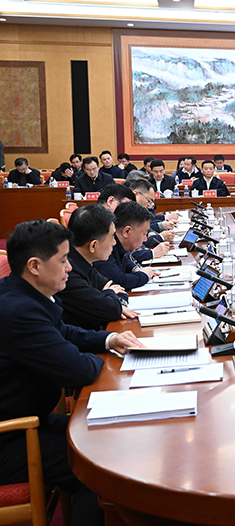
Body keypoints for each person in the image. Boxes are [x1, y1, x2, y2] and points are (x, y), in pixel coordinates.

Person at [0, 219, 142, 526]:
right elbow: (79, 370)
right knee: (99, 466)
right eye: (63, 260)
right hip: (9, 436)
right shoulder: (20, 311)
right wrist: (101, 361)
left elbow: (64, 333)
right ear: (35, 266)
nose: (69, 268)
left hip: (29, 417)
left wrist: (108, 340)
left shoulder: (21, 294)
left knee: (106, 438)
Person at [60, 204, 137, 329]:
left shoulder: (84, 261)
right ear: (93, 246)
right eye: (111, 237)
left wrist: (108, 296)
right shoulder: (67, 272)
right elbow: (110, 310)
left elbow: (117, 288)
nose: (114, 243)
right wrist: (109, 294)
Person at [93, 201, 155, 291]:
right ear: (127, 231)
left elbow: (125, 259)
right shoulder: (105, 246)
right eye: (144, 234)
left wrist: (136, 269)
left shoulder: (120, 244)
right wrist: (144, 275)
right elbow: (119, 281)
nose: (145, 239)